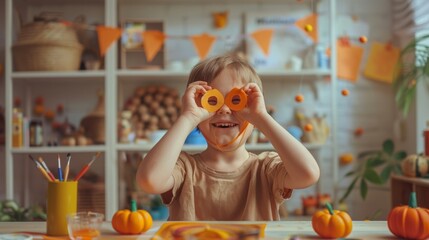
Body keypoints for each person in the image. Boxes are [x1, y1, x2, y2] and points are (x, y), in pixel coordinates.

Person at [136, 54, 320, 221]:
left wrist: (262, 118)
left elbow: (308, 174)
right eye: (213, 101)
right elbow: (150, 181)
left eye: (236, 100)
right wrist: (188, 118)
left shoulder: (266, 169)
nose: (224, 109)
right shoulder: (184, 168)